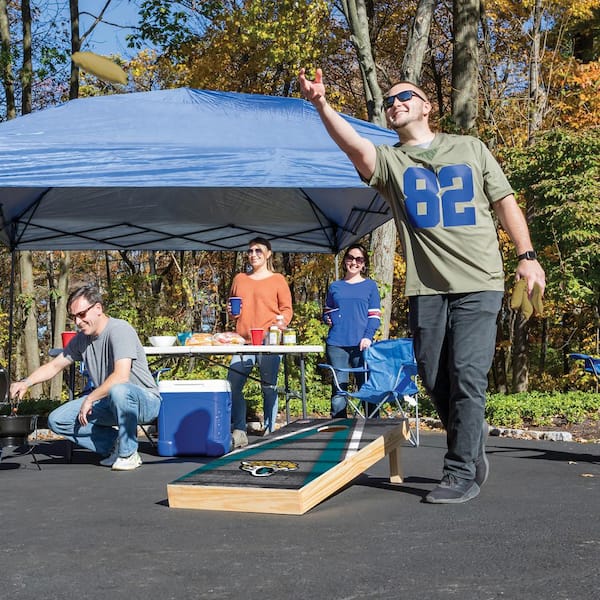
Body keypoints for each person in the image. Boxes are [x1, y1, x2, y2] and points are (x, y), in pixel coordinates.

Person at [299, 68, 546, 503]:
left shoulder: (470, 148)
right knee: (432, 376)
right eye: (389, 100)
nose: (395, 103)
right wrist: (321, 104)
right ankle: (470, 446)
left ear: (427, 106)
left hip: (479, 281)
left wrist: (526, 257)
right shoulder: (392, 163)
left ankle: (459, 470)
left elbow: (505, 204)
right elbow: (354, 146)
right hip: (426, 287)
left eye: (405, 96)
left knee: (468, 374)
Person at [9, 285, 161, 471]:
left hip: (144, 402)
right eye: (74, 317)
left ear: (98, 308)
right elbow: (55, 365)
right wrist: (26, 382)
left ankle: (129, 453)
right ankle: (115, 445)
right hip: (109, 401)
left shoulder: (120, 329)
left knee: (119, 390)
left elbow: (121, 376)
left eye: (81, 314)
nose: (78, 322)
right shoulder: (82, 339)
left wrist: (90, 398)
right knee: (58, 419)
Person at [227, 237, 293, 447]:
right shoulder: (239, 279)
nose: (253, 254)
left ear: (268, 254)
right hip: (242, 343)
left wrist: (281, 323)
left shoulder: (278, 280)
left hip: (268, 343)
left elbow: (287, 310)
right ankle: (239, 430)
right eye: (250, 251)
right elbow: (233, 308)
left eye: (258, 250)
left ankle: (270, 430)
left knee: (269, 388)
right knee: (232, 386)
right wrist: (230, 312)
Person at [324, 243, 381, 418]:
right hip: (336, 344)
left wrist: (368, 337)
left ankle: (373, 428)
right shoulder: (335, 286)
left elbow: (374, 316)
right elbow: (328, 310)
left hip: (361, 345)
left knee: (367, 388)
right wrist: (327, 317)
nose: (354, 262)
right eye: (350, 258)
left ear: (364, 264)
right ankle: (338, 428)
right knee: (339, 389)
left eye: (359, 259)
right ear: (344, 261)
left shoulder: (370, 286)